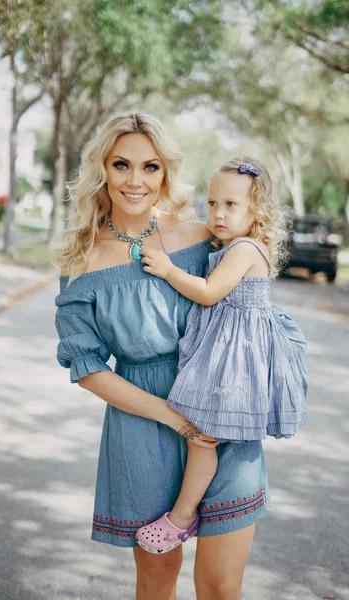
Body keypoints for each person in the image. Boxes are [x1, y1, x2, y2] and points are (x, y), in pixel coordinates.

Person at [53, 114, 304, 600]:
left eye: (150, 167)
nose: (135, 180)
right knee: (156, 580)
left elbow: (249, 302)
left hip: (224, 420)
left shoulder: (199, 237)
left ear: (165, 173)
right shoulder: (79, 260)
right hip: (145, 427)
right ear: (102, 169)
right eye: (121, 164)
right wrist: (179, 421)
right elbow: (86, 368)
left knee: (219, 585)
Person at [136, 157, 308, 554]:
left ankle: (182, 517)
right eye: (213, 203)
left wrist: (166, 270)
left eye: (231, 205)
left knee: (204, 438)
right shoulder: (234, 243)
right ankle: (187, 513)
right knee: (204, 436)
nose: (218, 213)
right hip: (230, 352)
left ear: (257, 211)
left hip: (234, 361)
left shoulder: (246, 247)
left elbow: (210, 292)